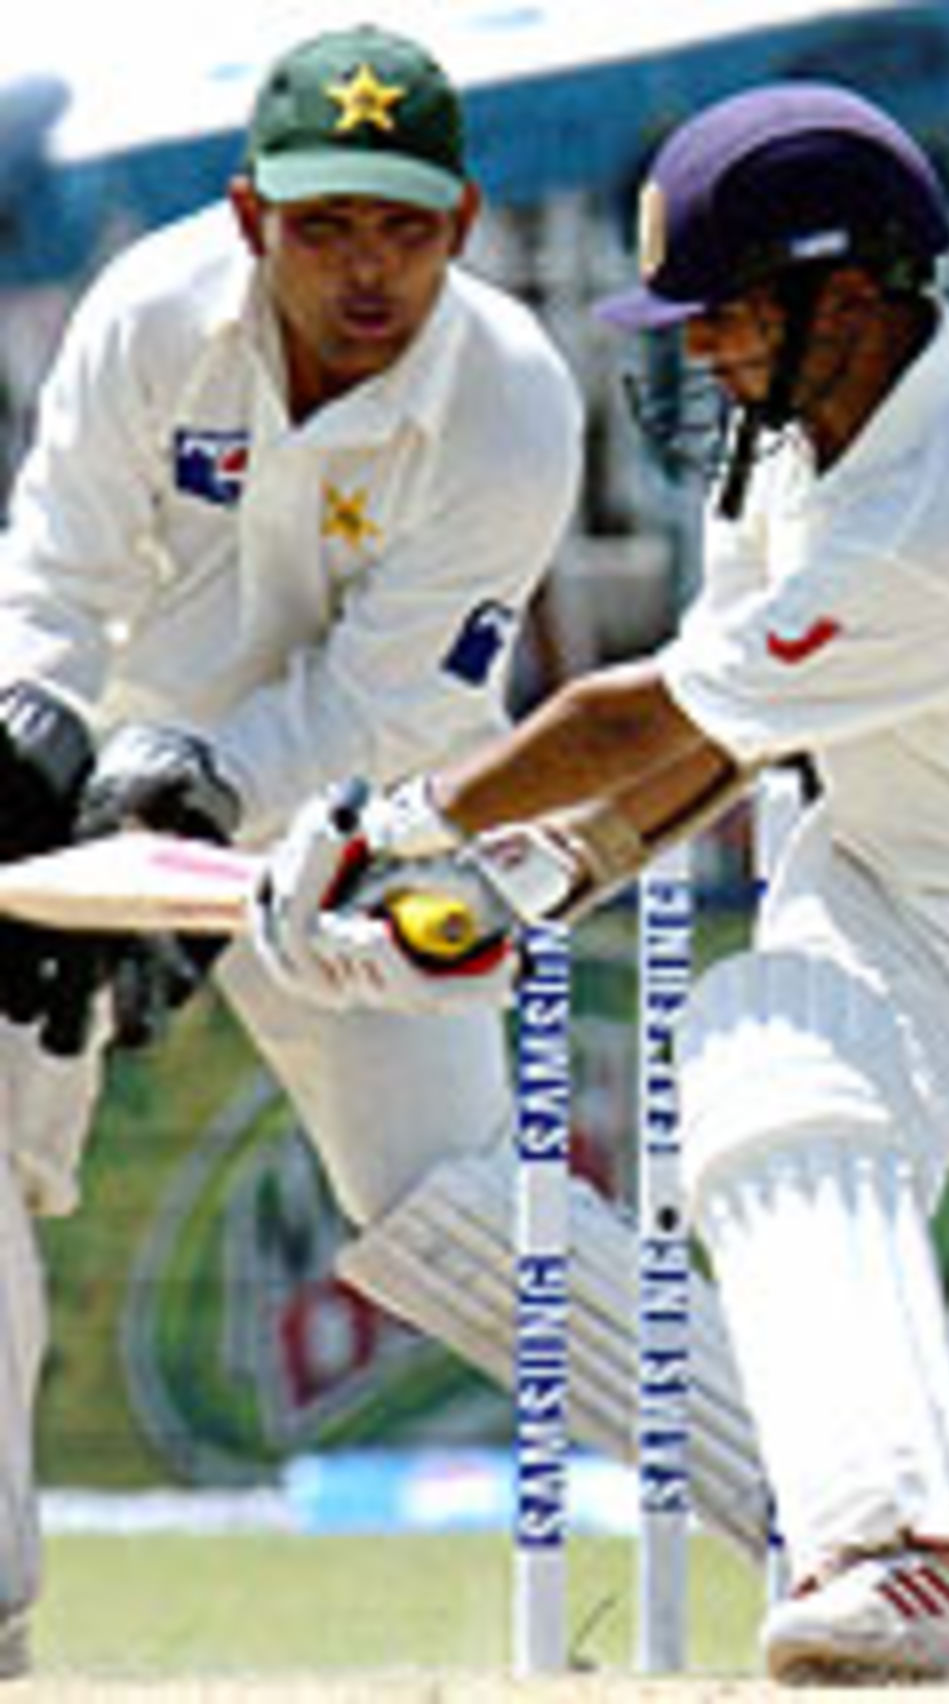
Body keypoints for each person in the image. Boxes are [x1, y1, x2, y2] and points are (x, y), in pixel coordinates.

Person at [253, 82, 949, 1686]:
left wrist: (394, 825)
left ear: (847, 299)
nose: (700, 355)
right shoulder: (794, 449)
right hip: (880, 884)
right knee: (762, 1071)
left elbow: (645, 714)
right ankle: (889, 1539)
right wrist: (531, 887)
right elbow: (730, 748)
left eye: (722, 317)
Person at [0, 23, 604, 1677]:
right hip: (97, 815)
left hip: (358, 826)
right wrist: (29, 736)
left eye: (405, 230)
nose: (368, 273)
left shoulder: (513, 399)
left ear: (466, 225)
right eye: (327, 225)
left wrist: (195, 790)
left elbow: (392, 699)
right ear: (250, 213)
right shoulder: (150, 314)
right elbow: (51, 579)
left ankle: (845, 1535)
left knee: (464, 1214)